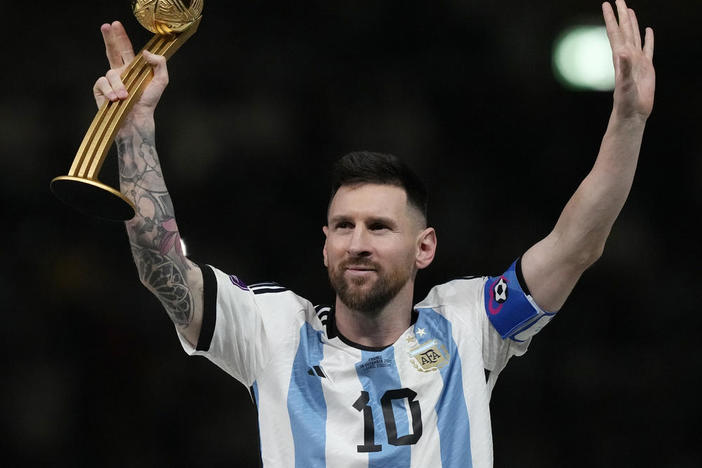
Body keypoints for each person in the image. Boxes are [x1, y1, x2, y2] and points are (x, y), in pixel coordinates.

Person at [93, 1, 654, 466]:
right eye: (343, 226)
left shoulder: (469, 324)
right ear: (325, 244)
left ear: (425, 247)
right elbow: (159, 267)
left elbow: (577, 243)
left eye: (380, 227)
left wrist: (628, 120)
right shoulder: (273, 331)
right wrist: (135, 129)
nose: (357, 241)